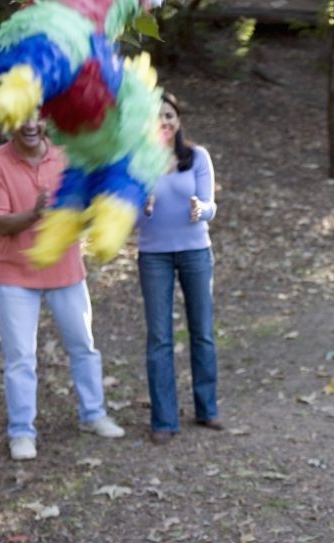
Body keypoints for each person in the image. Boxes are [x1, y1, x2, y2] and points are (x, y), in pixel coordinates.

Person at [0, 116, 124, 462]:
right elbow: (1, 222)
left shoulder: (67, 156)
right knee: (20, 359)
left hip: (66, 270)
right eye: (22, 116)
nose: (30, 124)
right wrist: (35, 213)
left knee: (84, 347)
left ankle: (94, 414)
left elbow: (86, 207)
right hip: (17, 274)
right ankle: (22, 432)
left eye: (37, 116)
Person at [136, 91, 222, 443]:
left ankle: (207, 409)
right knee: (159, 338)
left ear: (178, 120)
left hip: (194, 252)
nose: (165, 122)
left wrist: (200, 209)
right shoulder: (137, 161)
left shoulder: (197, 157)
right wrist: (141, 206)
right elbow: (126, 212)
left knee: (201, 331)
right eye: (157, 117)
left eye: (169, 115)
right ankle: (164, 419)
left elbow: (211, 205)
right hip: (153, 255)